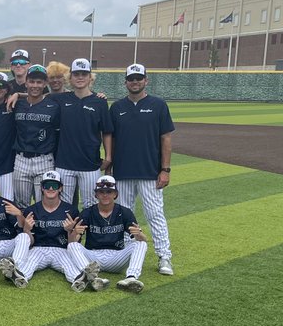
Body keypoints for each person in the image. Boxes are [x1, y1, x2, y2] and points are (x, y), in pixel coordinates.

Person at [110, 63, 175, 275]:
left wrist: (165, 169)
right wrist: (110, 166)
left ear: (146, 80)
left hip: (150, 172)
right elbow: (110, 138)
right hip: (123, 172)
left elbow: (166, 138)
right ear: (125, 82)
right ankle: (124, 255)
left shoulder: (158, 105)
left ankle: (164, 256)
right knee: (123, 215)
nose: (135, 82)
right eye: (131, 79)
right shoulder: (117, 107)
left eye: (139, 78)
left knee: (155, 214)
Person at [1, 170, 90, 290]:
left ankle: (79, 280)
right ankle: (17, 274)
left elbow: (72, 244)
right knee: (29, 264)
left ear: (60, 188)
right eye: (47, 185)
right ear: (42, 188)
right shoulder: (32, 210)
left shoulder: (71, 211)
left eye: (55, 185)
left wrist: (70, 231)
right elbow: (30, 242)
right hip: (39, 248)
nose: (51, 188)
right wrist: (27, 229)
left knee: (68, 266)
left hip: (61, 249)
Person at [67, 175, 149, 293]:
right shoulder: (87, 213)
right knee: (72, 246)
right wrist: (74, 232)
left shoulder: (125, 212)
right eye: (101, 192)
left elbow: (142, 239)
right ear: (96, 194)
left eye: (109, 191)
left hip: (116, 257)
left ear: (115, 194)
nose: (105, 195)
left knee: (141, 244)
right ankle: (90, 277)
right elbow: (73, 242)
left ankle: (131, 278)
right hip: (92, 258)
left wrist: (140, 235)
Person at [54, 57, 113, 209]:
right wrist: (17, 95)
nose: (80, 77)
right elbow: (37, 97)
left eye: (84, 74)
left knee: (91, 205)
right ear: (70, 78)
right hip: (64, 163)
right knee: (64, 207)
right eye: (76, 74)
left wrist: (108, 157)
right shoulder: (61, 99)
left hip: (90, 164)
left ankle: (90, 234)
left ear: (90, 78)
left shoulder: (99, 101)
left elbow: (106, 131)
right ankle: (68, 234)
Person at [10, 64, 61, 206]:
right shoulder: (17, 104)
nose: (35, 85)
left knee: (44, 203)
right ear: (26, 82)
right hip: (21, 159)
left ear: (45, 83)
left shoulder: (53, 106)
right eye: (32, 81)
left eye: (39, 82)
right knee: (20, 204)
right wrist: (17, 94)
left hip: (44, 159)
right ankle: (23, 229)